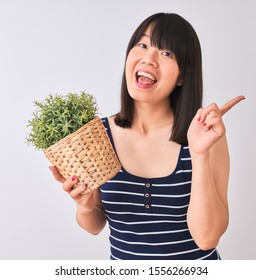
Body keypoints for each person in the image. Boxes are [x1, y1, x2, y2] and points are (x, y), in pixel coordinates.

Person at [49, 12, 244, 260]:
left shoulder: (204, 134)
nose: (149, 58)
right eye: (142, 44)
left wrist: (199, 153)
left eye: (166, 53)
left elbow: (207, 238)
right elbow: (94, 225)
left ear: (183, 75)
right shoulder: (98, 135)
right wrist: (85, 206)